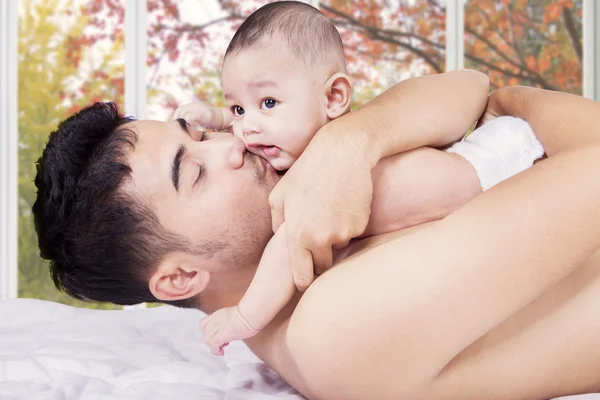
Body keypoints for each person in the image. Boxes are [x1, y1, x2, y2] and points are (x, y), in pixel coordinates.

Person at [32, 68, 600, 399]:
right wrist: (515, 102)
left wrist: (349, 143)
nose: (231, 143)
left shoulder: (320, 219)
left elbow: (469, 87)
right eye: (195, 172)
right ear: (180, 277)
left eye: (197, 133)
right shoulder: (332, 326)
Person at [174, 1, 543, 354]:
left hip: (504, 168)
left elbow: (289, 248)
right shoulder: (304, 145)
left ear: (334, 97)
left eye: (268, 103)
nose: (247, 127)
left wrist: (245, 316)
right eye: (238, 108)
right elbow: (252, 121)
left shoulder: (319, 179)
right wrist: (218, 117)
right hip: (490, 181)